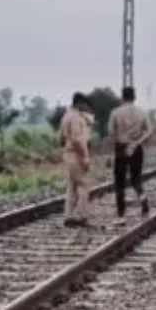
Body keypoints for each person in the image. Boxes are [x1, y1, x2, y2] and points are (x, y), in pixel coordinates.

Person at [108, 86, 153, 221]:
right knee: (136, 179)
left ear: (122, 97)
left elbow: (111, 132)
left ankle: (121, 214)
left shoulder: (115, 113)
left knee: (119, 181)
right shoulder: (142, 112)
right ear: (134, 97)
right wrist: (137, 142)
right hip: (137, 148)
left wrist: (122, 140)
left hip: (121, 148)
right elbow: (149, 130)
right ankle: (144, 202)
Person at [58, 92, 92, 227]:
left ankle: (68, 215)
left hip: (68, 153)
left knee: (72, 186)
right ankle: (80, 215)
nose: (85, 106)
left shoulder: (66, 116)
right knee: (83, 185)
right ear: (79, 103)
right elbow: (78, 139)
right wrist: (85, 156)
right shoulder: (77, 118)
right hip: (77, 154)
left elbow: (60, 138)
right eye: (84, 104)